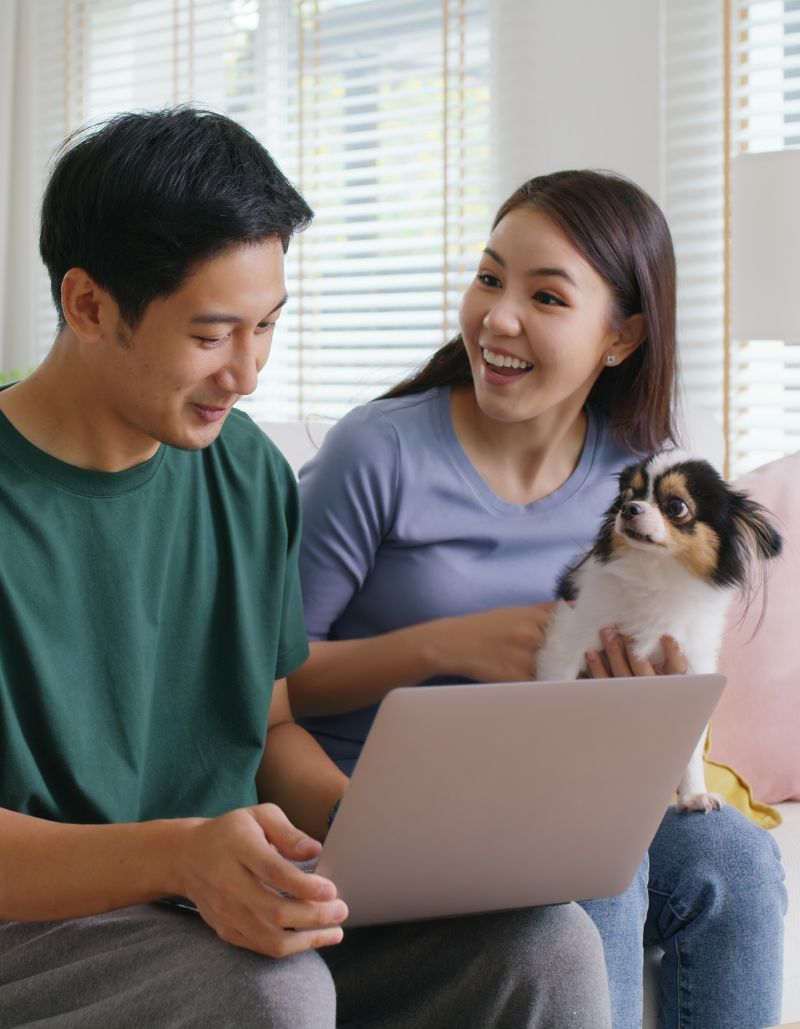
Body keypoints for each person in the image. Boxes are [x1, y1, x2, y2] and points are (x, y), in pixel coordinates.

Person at [0, 108, 613, 1029]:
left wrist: (370, 824)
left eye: (267, 327)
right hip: (43, 921)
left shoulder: (245, 471)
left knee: (547, 943)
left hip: (224, 889)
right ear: (88, 305)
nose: (247, 374)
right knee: (267, 992)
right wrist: (179, 857)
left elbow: (270, 723)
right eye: (212, 335)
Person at [290, 170, 788, 1029]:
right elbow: (263, 688)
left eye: (545, 296)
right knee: (599, 864)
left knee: (735, 861)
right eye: (489, 278)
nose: (498, 316)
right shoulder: (375, 454)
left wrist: (645, 704)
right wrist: (444, 643)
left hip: (555, 797)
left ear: (622, 336)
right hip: (388, 810)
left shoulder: (638, 475)